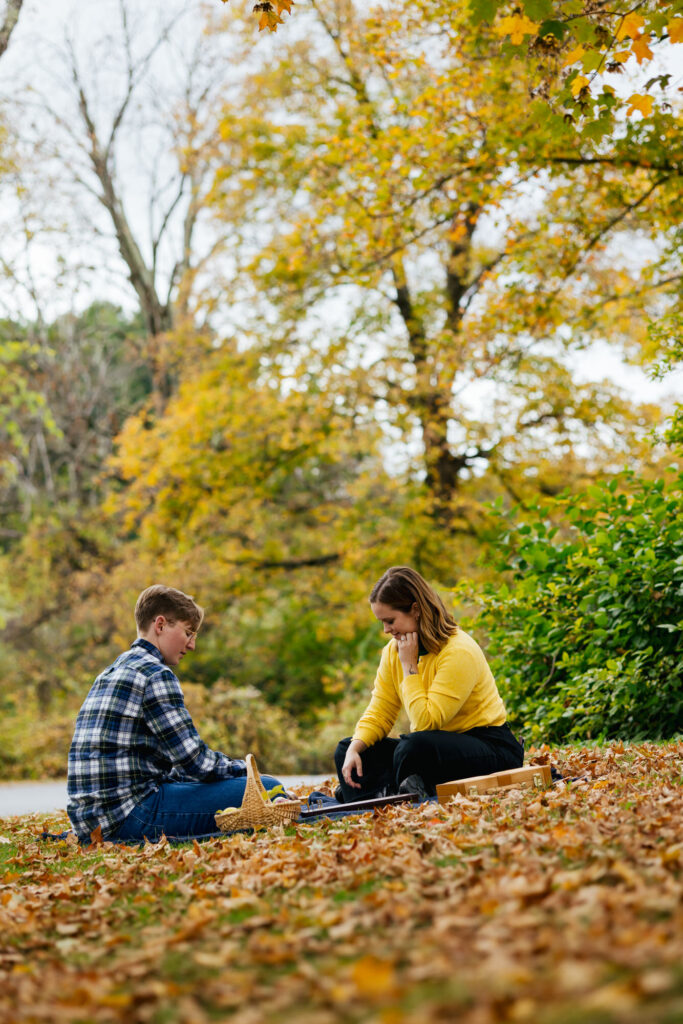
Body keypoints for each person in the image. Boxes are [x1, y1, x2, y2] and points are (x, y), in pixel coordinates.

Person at [67, 584, 282, 843]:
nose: (191, 645)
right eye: (188, 632)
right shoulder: (154, 674)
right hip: (129, 817)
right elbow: (196, 763)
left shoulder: (111, 671)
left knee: (251, 788)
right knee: (270, 789)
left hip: (91, 822)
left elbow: (167, 766)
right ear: (160, 625)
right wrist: (248, 773)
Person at [334, 566, 523, 802]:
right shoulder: (393, 652)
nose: (386, 630)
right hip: (433, 748)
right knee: (346, 749)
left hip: (489, 747)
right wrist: (355, 748)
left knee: (413, 748)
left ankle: (379, 791)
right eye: (382, 622)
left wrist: (410, 667)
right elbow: (381, 710)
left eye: (390, 620)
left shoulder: (458, 650)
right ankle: (395, 791)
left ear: (415, 609)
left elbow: (426, 723)